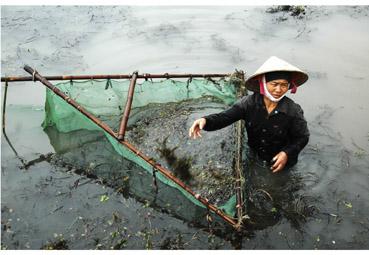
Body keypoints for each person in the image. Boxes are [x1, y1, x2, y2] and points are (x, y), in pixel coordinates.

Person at [188, 56, 310, 173]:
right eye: (274, 84)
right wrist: (205, 121)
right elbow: (225, 117)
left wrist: (286, 153)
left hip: (282, 161)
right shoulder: (248, 104)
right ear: (263, 84)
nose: (279, 90)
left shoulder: (293, 111)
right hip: (255, 154)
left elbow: (302, 137)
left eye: (284, 85)